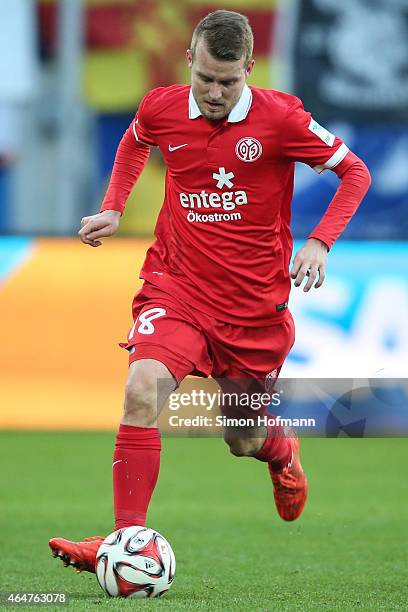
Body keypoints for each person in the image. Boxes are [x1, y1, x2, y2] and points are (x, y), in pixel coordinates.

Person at [49, 10, 371, 573]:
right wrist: (113, 206)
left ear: (249, 67)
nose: (216, 92)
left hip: (253, 310)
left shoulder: (283, 119)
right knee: (142, 389)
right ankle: (126, 544)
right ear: (189, 63)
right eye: (206, 79)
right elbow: (133, 143)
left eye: (229, 81)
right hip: (177, 287)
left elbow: (356, 173)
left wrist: (320, 242)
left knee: (241, 438)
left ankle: (280, 450)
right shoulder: (161, 105)